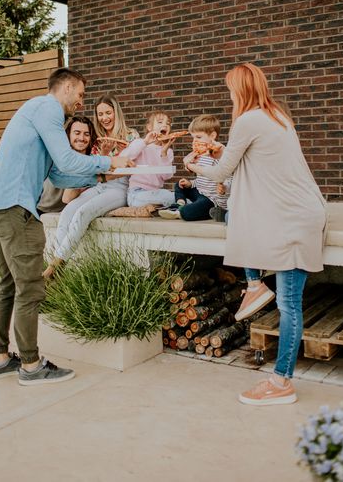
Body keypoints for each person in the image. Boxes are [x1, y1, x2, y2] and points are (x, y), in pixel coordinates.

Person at [186, 62, 327, 406]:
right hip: (302, 212)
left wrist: (194, 165)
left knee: (289, 304)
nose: (230, 95)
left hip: (291, 219)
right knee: (288, 299)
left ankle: (281, 382)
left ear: (241, 90)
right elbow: (254, 157)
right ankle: (253, 285)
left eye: (231, 89)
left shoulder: (247, 120)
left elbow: (222, 170)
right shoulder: (277, 115)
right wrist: (222, 151)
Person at [0, 69, 130, 385]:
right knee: (30, 288)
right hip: (14, 209)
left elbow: (59, 175)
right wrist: (110, 162)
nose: (81, 101)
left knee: (8, 285)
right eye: (80, 94)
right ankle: (32, 366)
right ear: (65, 87)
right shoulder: (46, 108)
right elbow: (66, 160)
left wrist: (100, 177)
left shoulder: (38, 115)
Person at [43, 94, 139, 277]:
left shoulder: (131, 135)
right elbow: (95, 169)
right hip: (100, 184)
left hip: (120, 187)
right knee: (68, 211)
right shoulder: (99, 139)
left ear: (116, 112)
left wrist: (116, 158)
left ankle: (54, 268)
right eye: (100, 114)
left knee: (83, 212)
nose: (105, 118)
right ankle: (57, 266)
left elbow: (133, 167)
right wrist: (103, 155)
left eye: (108, 113)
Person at [158, 114, 230, 221]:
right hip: (200, 192)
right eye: (193, 137)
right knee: (179, 185)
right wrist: (191, 184)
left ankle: (181, 212)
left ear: (212, 136)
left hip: (212, 199)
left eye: (199, 137)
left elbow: (224, 179)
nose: (194, 141)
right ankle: (179, 204)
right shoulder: (200, 156)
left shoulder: (218, 154)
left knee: (189, 211)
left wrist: (223, 188)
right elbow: (201, 180)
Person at [116, 111, 175, 215]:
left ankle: (172, 207)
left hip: (155, 193)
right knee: (171, 197)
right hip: (136, 194)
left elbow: (166, 176)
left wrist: (164, 152)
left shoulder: (168, 151)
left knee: (169, 196)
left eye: (168, 123)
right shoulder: (140, 144)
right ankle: (184, 205)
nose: (165, 125)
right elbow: (123, 158)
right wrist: (145, 142)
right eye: (160, 122)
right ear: (149, 127)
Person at [37, 115, 97, 215]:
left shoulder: (91, 161)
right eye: (77, 133)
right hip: (40, 209)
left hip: (65, 212)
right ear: (68, 135)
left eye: (86, 134)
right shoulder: (58, 155)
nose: (81, 138)